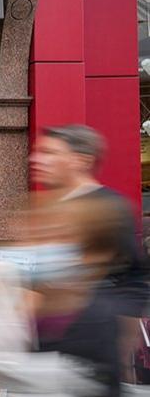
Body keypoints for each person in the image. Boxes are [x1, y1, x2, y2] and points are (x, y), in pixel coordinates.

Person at [0, 197, 129, 397]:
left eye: (57, 236)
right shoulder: (34, 309)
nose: (39, 246)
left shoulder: (98, 316)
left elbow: (106, 395)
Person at [30, 124, 149, 318]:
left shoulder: (109, 207)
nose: (35, 160)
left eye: (48, 152)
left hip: (91, 335)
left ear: (81, 161)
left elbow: (131, 279)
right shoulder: (47, 204)